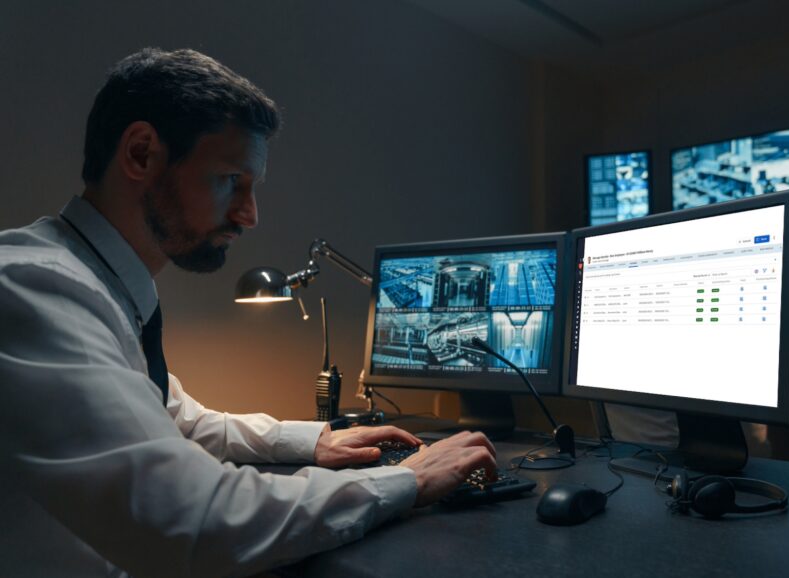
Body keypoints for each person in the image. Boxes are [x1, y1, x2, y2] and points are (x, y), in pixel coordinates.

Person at [0, 48, 497, 577]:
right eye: (231, 181)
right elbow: (197, 517)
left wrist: (313, 440)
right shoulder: (33, 289)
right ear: (141, 154)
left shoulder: (94, 283)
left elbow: (177, 418)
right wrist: (407, 482)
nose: (249, 215)